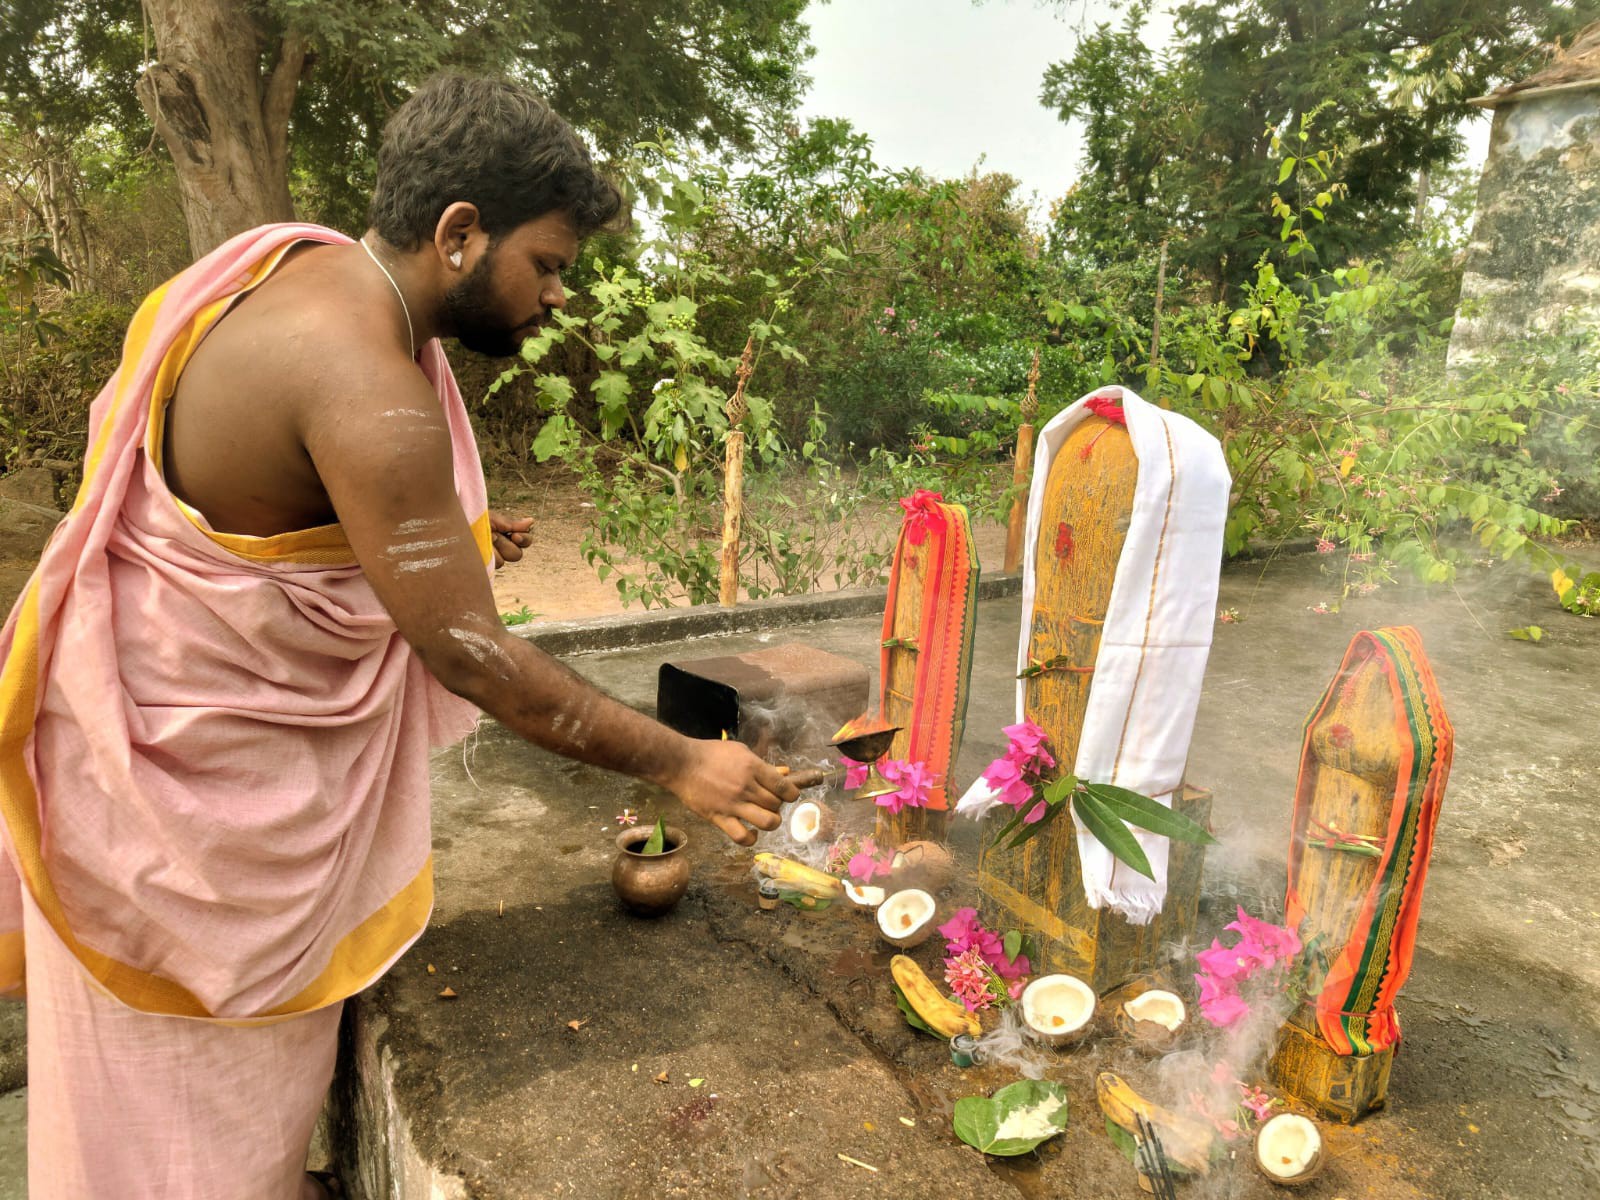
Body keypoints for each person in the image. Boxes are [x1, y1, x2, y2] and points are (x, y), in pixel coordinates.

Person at [0, 74, 798, 1200]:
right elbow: (472, 656)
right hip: (189, 824)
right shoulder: (364, 381)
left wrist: (456, 538)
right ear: (459, 233)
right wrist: (682, 762)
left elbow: (298, 519)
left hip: (133, 748)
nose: (558, 296)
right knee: (181, 1144)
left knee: (168, 1126)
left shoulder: (293, 275)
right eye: (549, 263)